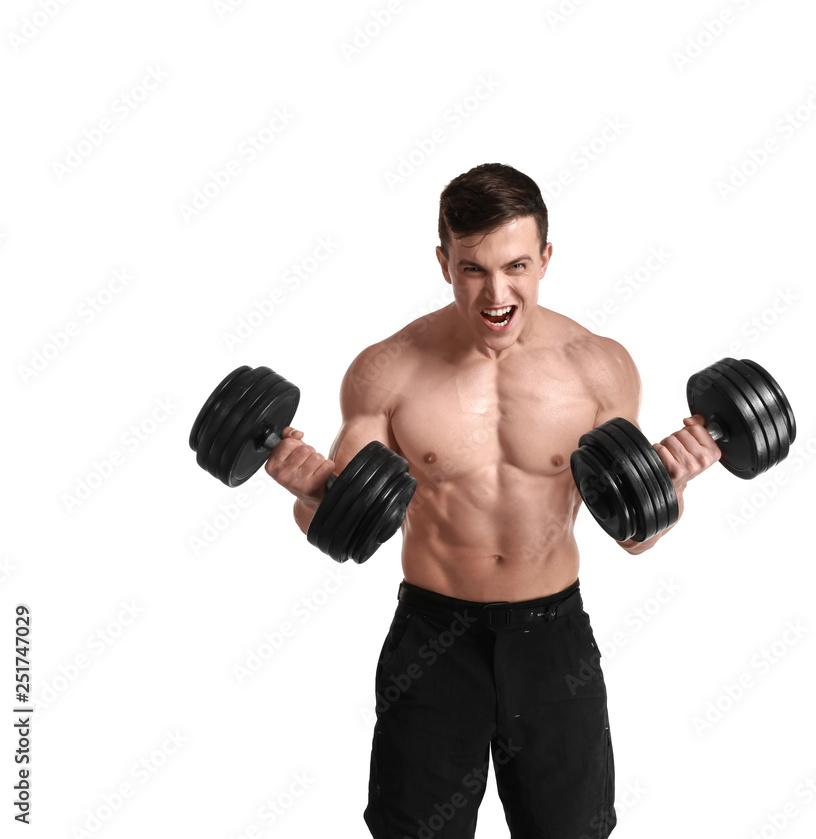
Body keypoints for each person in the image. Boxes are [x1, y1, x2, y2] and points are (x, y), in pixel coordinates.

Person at [264, 163, 721, 838]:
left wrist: (674, 480)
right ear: (444, 260)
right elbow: (347, 525)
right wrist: (309, 489)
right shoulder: (387, 369)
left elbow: (633, 532)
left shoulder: (599, 367)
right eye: (473, 268)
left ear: (545, 259)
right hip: (433, 637)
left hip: (553, 639)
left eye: (516, 266)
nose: (497, 292)